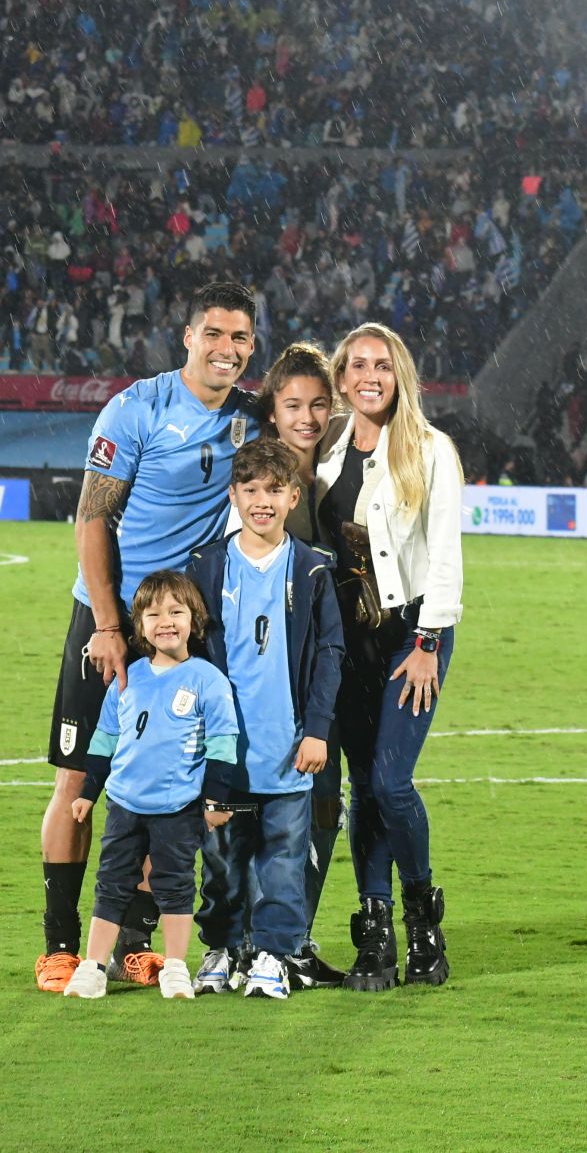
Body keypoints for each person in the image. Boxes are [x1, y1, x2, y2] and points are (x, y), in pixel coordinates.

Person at [37, 281, 260, 992]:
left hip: (176, 623)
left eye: (241, 339)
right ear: (188, 336)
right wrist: (106, 625)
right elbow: (92, 518)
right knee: (80, 778)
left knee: (164, 779)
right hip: (109, 619)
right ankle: (60, 943)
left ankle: (133, 938)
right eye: (215, 335)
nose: (227, 350)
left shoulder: (250, 420)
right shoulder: (137, 407)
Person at [313, 322, 464, 990]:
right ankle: (374, 935)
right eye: (358, 365)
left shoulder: (431, 451)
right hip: (346, 643)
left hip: (411, 637)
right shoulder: (321, 450)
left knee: (390, 782)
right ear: (341, 377)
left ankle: (423, 922)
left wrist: (429, 643)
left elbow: (448, 557)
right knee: (359, 789)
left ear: (398, 375)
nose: (370, 375)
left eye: (383, 364)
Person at [185, 438, 344, 998]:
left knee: (283, 862)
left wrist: (318, 729)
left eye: (274, 491)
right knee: (223, 861)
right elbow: (191, 657)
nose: (262, 502)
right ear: (233, 495)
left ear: (293, 496)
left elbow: (330, 654)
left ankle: (274, 956)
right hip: (222, 752)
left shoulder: (313, 569)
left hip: (288, 747)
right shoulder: (205, 566)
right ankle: (223, 949)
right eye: (250, 490)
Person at [62, 570, 241, 1002]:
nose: (166, 621)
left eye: (176, 612)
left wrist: (217, 798)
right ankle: (94, 966)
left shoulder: (207, 680)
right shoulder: (130, 678)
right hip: (125, 804)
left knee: (175, 884)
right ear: (139, 624)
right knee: (111, 884)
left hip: (178, 806)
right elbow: (105, 739)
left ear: (193, 621)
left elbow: (223, 744)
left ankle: (176, 967)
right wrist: (89, 792)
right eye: (153, 613)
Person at [255, 343, 347, 985]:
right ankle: (254, 942)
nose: (308, 417)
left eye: (319, 404)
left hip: (332, 665)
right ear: (273, 409)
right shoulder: (262, 477)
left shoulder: (345, 473)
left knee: (323, 802)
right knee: (264, 805)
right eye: (293, 405)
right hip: (268, 671)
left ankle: (293, 940)